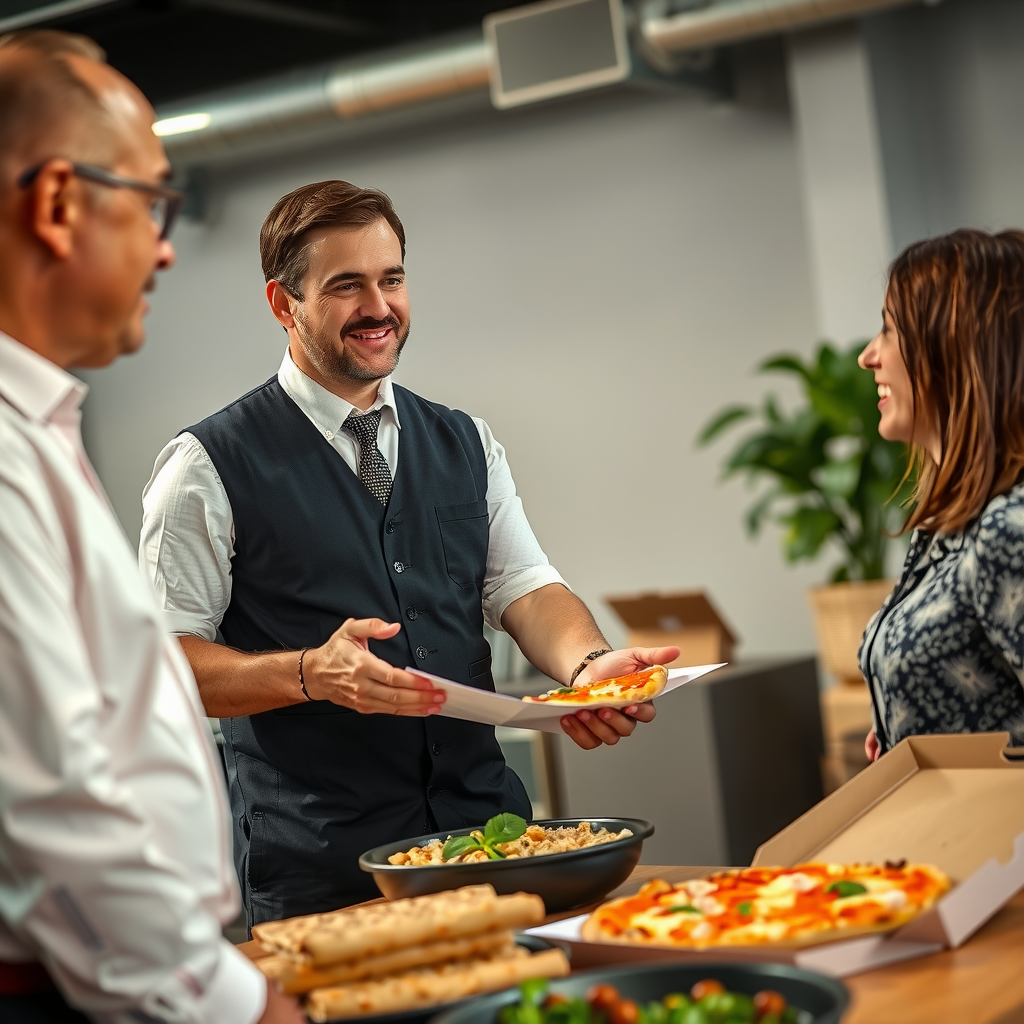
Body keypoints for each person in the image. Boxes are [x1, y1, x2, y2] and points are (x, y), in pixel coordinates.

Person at [140, 180, 678, 925]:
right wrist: (307, 674)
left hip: (490, 847)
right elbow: (162, 665)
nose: (379, 307)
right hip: (323, 877)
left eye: (392, 278)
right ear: (282, 303)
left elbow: (523, 585)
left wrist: (588, 668)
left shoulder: (466, 440)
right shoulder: (205, 466)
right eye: (346, 286)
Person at [0, 29, 303, 1024]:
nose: (167, 244)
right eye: (152, 200)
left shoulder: (39, 429)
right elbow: (49, 806)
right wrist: (226, 1002)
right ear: (55, 204)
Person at [857, 229, 1024, 762]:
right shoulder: (947, 527)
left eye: (889, 329)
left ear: (956, 347)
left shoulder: (1010, 530)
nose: (868, 356)